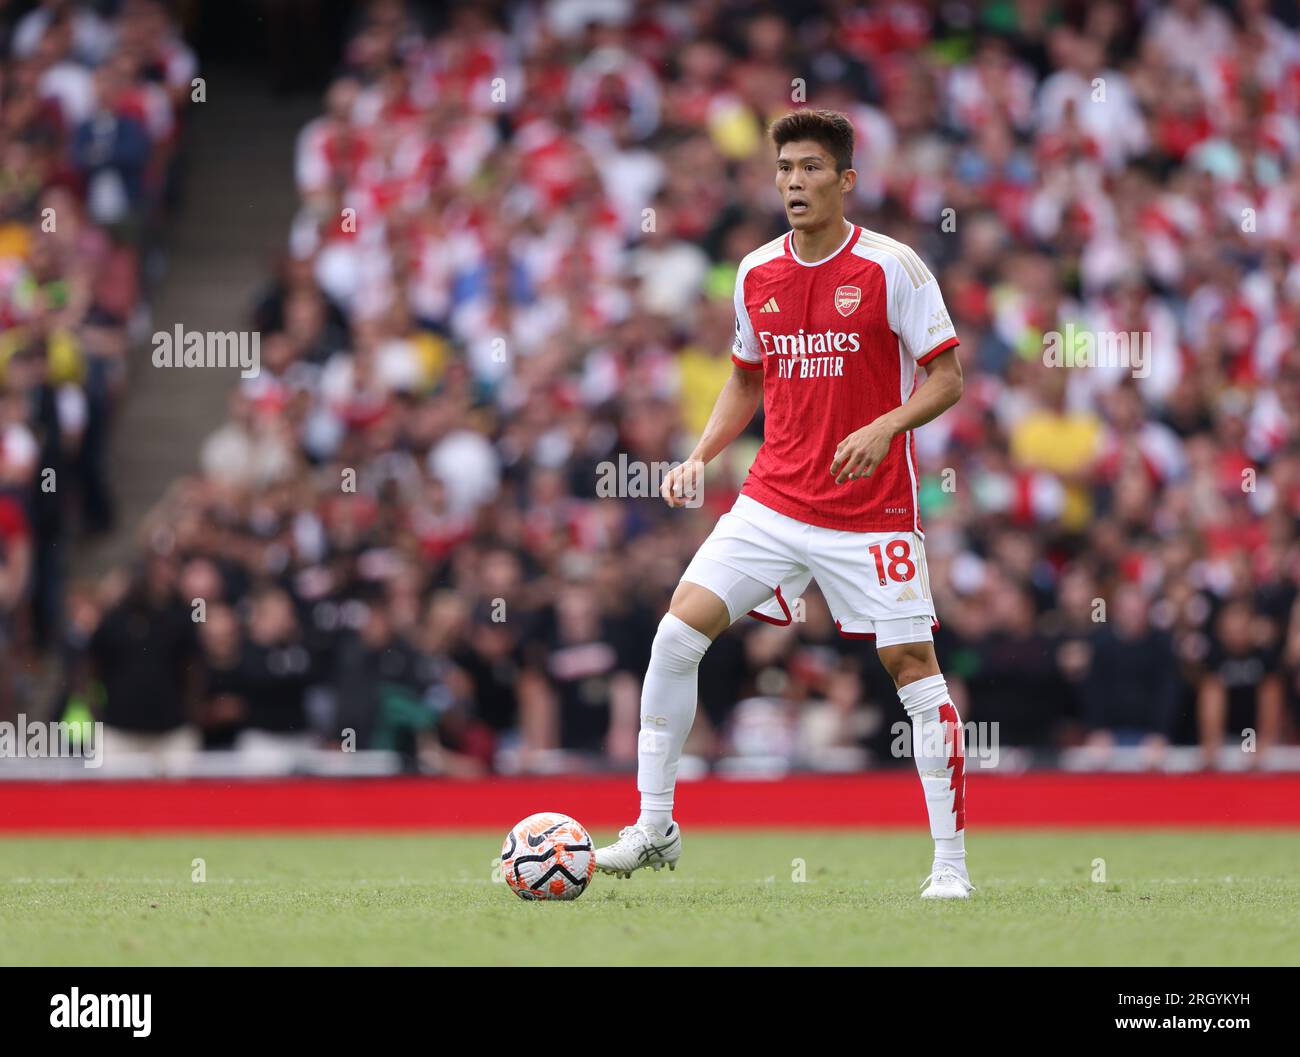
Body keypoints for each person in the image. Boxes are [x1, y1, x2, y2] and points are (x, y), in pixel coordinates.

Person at [594, 110, 972, 898]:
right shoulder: (755, 271)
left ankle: (950, 864)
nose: (794, 182)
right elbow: (744, 376)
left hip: (871, 508)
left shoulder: (891, 267)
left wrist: (886, 423)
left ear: (845, 181)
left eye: (810, 168)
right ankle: (654, 824)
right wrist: (700, 456)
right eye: (784, 169)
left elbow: (948, 377)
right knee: (675, 633)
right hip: (771, 496)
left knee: (912, 670)